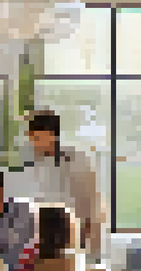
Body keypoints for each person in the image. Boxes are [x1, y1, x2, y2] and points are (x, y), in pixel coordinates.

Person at [20, 110, 105, 262]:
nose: (33, 143)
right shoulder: (38, 163)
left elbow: (91, 202)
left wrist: (87, 236)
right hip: (49, 236)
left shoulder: (77, 160)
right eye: (32, 138)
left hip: (78, 234)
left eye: (37, 137)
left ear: (52, 135)